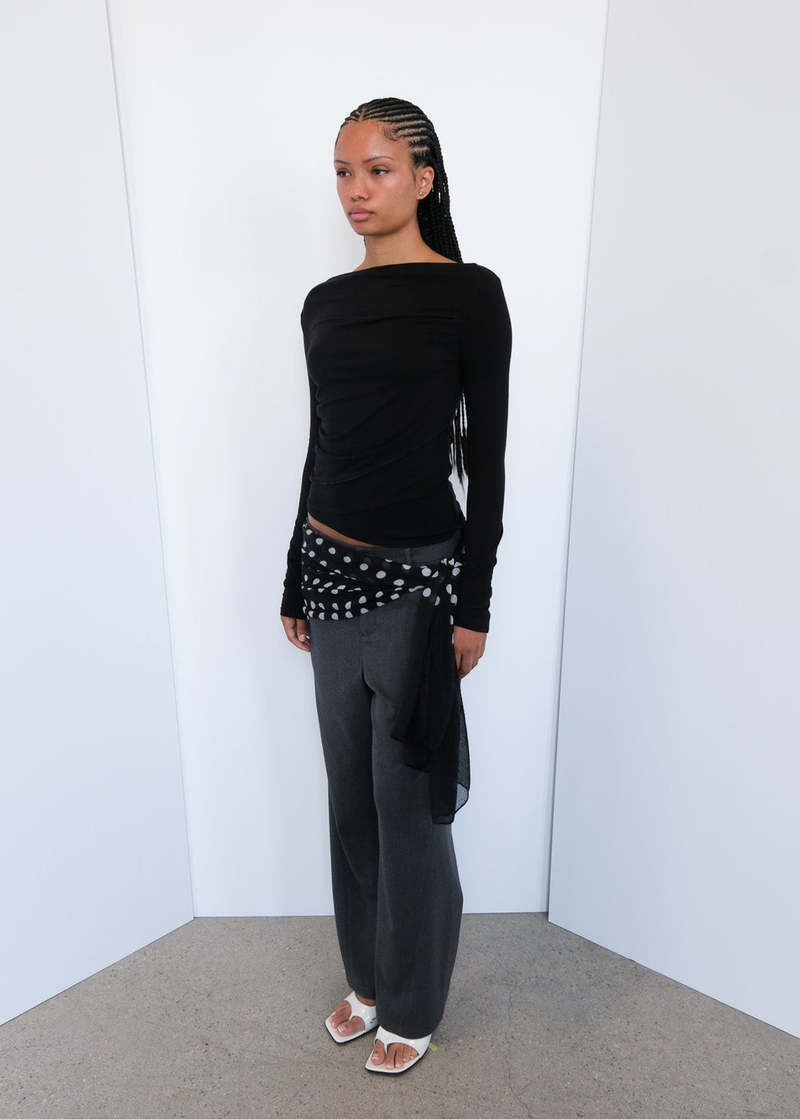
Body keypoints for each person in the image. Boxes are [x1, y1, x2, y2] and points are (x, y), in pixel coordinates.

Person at [279, 96, 512, 1075]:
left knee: (405, 800)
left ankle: (412, 1002)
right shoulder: (324, 303)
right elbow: (322, 443)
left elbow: (487, 462)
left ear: (423, 177)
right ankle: (369, 978)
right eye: (343, 170)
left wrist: (474, 602)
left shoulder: (469, 295)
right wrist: (294, 576)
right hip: (328, 573)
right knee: (348, 797)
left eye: (377, 169)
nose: (356, 190)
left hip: (418, 582)